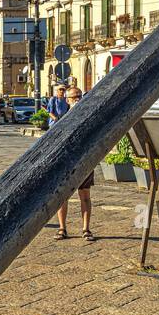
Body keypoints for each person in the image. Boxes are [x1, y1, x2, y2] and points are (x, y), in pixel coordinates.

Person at [57, 84, 95, 240]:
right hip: (66, 162)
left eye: (80, 96)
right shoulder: (63, 119)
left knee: (85, 195)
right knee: (62, 197)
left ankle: (86, 229)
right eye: (74, 97)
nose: (78, 99)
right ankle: (62, 228)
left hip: (84, 160)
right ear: (68, 100)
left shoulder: (89, 116)